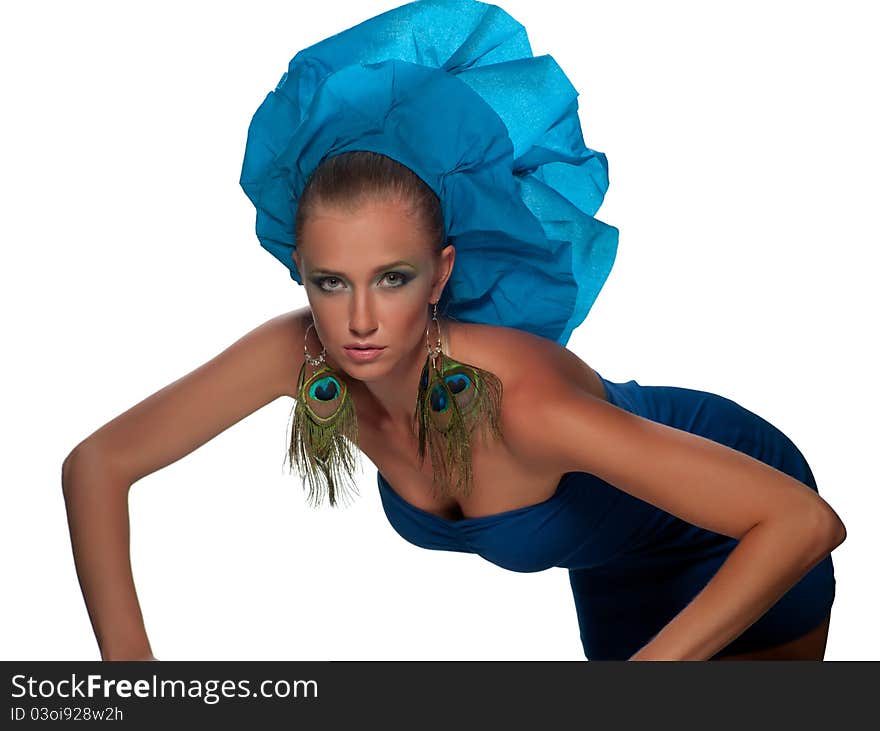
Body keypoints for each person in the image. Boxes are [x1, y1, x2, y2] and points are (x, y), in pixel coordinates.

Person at [61, 0, 844, 661]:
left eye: (392, 278)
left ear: (440, 274)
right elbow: (98, 463)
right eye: (331, 282)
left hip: (731, 527)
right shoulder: (298, 352)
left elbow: (802, 523)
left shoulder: (523, 403)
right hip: (611, 559)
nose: (358, 320)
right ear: (300, 268)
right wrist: (139, 686)